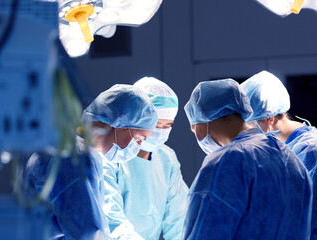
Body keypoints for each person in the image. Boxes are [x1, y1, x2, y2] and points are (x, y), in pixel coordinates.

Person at [183, 79, 312, 240]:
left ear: (204, 120)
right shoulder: (290, 158)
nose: (196, 134)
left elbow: (205, 232)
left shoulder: (225, 161)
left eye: (193, 128)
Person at [24, 84, 158, 240]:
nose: (138, 147)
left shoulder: (69, 147)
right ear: (119, 123)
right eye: (138, 139)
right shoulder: (75, 157)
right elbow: (87, 233)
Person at [103, 77, 189, 240]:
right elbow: (110, 218)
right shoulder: (110, 154)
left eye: (167, 125)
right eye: (156, 125)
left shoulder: (166, 158)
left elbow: (180, 220)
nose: (160, 133)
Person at [240, 70, 317, 239]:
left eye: (248, 126)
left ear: (268, 119)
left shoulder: (311, 152)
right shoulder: (284, 150)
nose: (245, 134)